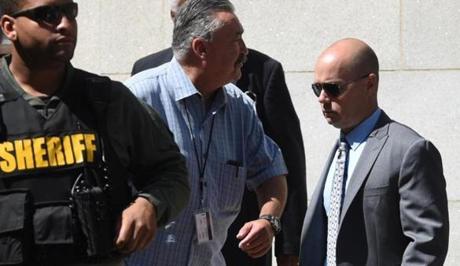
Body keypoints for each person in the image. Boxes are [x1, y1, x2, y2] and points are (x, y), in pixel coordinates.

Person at [0, 0, 189, 265]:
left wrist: (149, 204)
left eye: (70, 12)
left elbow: (171, 171)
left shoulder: (109, 100)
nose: (65, 24)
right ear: (10, 27)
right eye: (49, 15)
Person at [131, 1, 307, 265]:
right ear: (201, 48)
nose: (245, 51)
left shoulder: (241, 107)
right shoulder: (138, 99)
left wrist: (268, 220)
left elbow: (271, 172)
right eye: (236, 40)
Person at [299, 38, 449, 266]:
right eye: (317, 88)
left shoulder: (410, 151)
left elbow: (426, 245)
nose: (322, 98)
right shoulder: (340, 150)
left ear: (370, 84)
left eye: (332, 88)